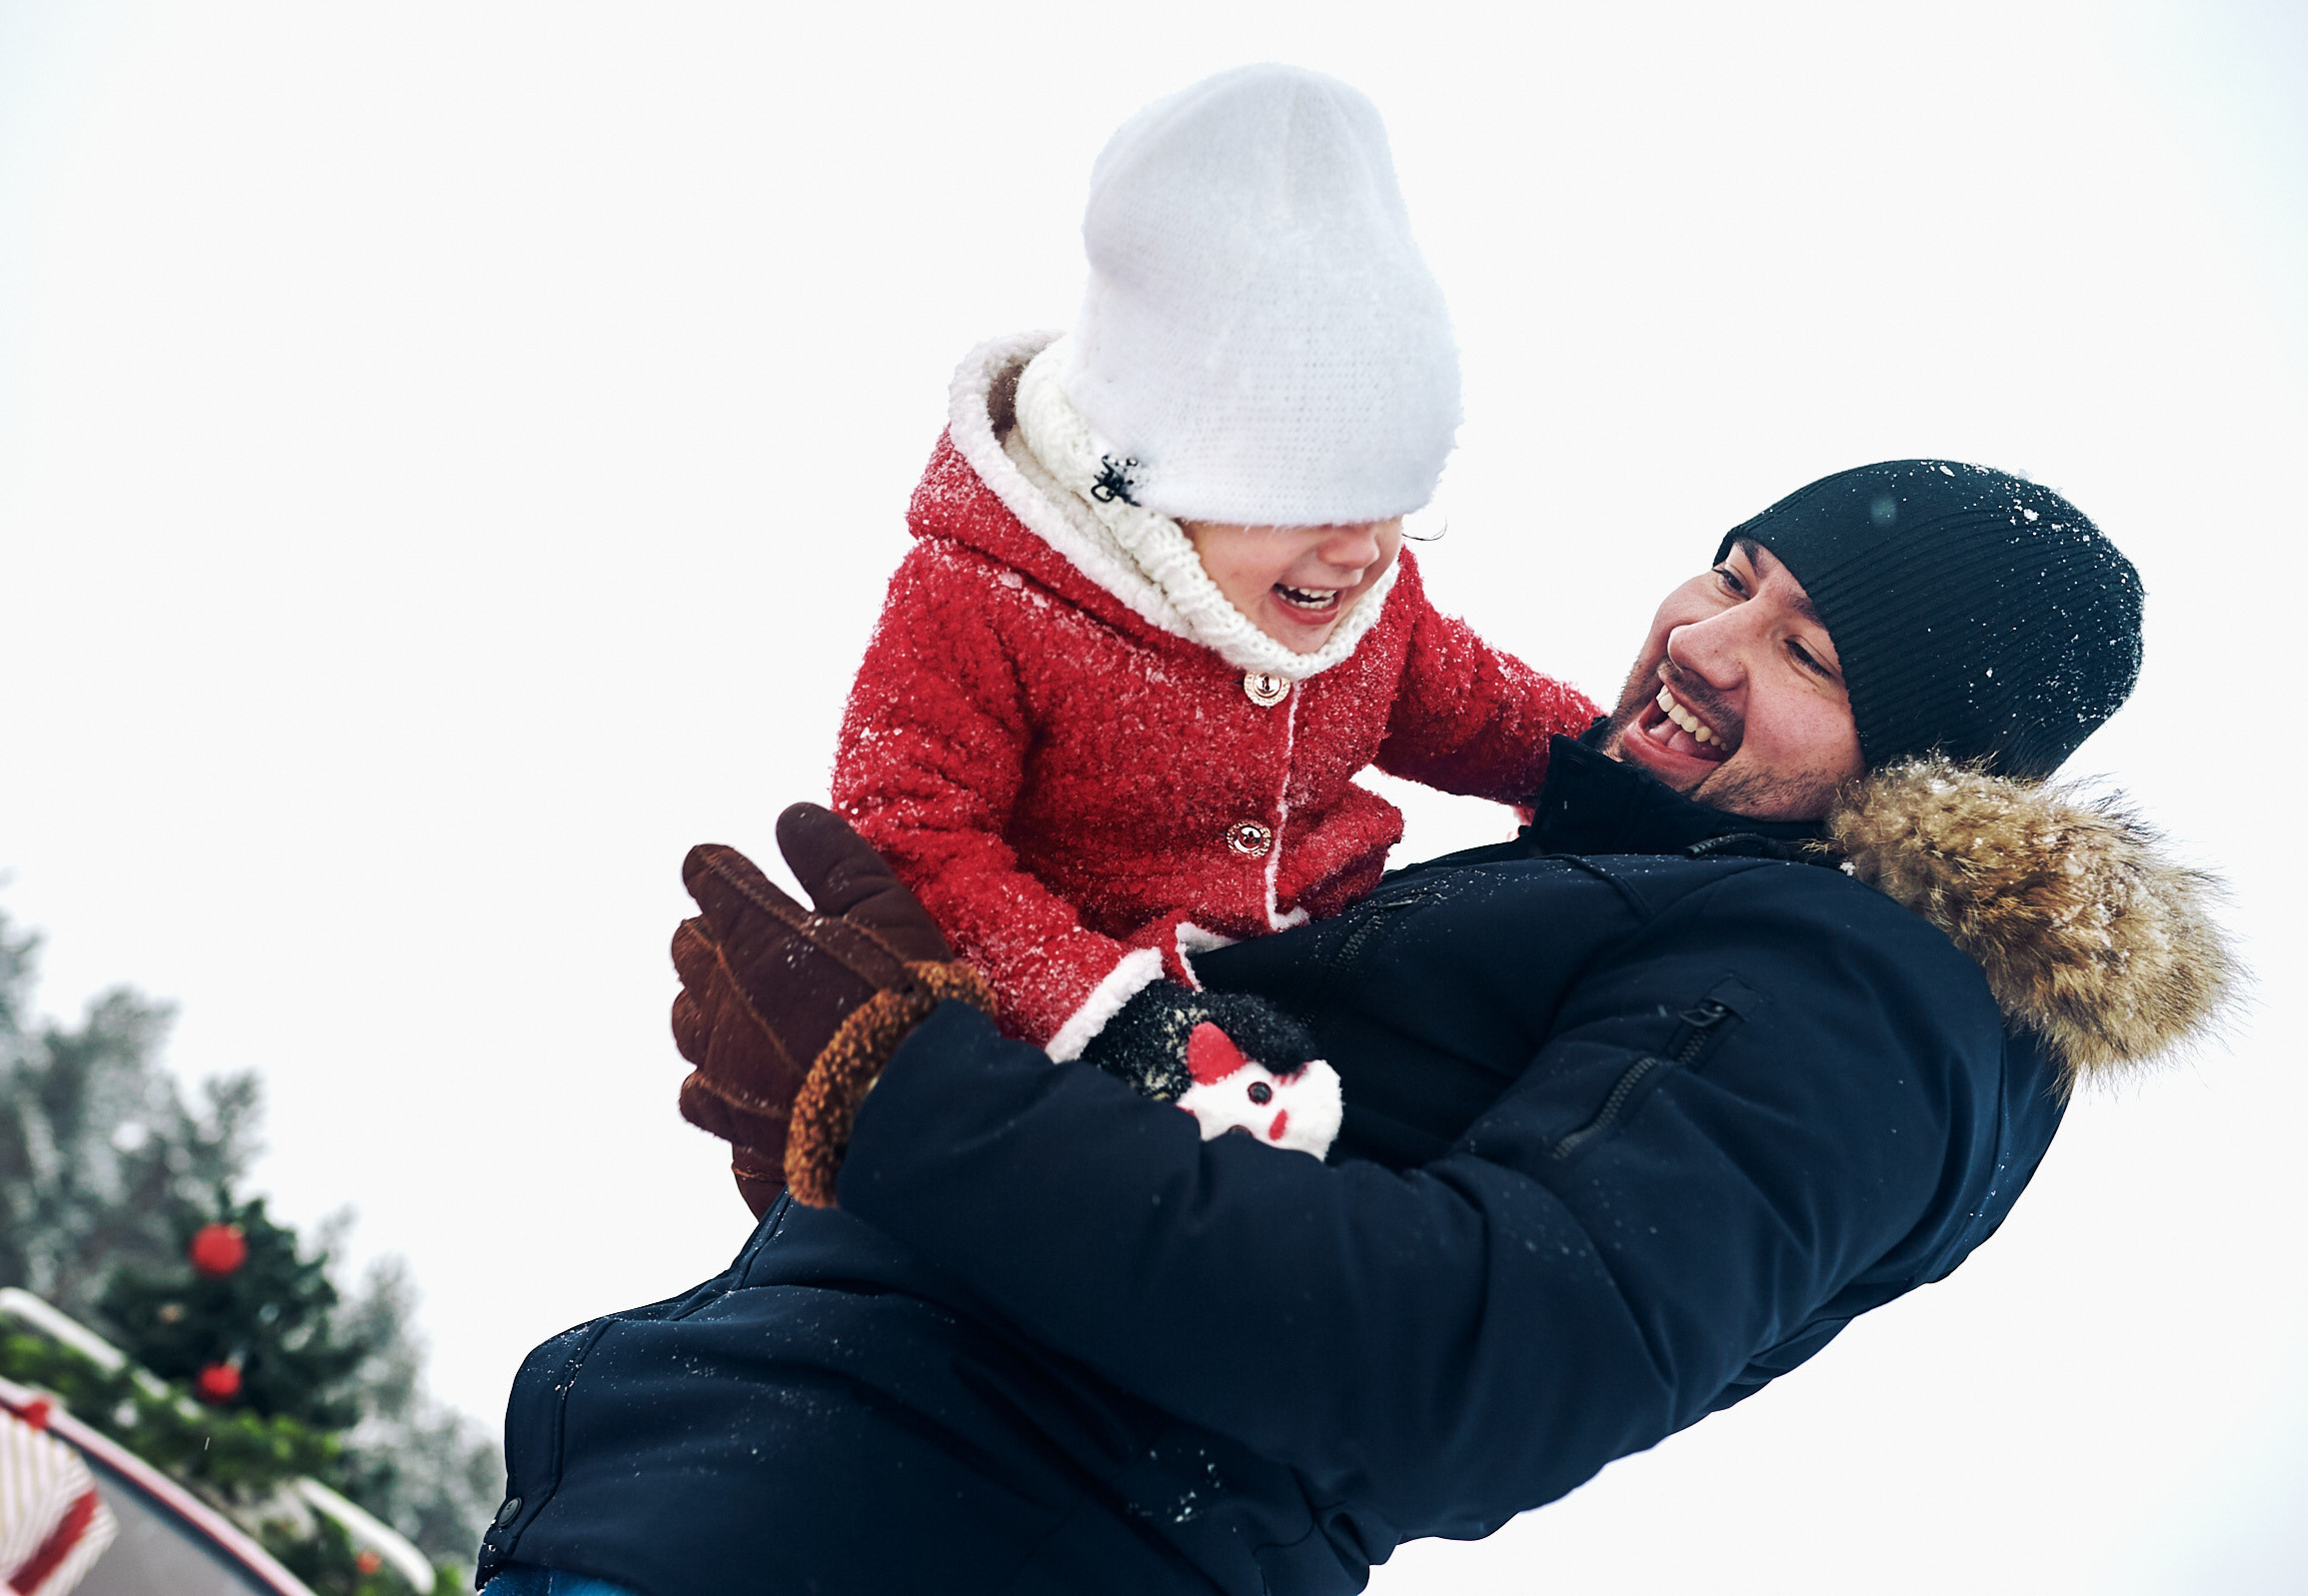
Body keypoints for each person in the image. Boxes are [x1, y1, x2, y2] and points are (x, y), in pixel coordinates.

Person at [480, 461, 2233, 1596]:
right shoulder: (1686, 896)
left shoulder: (1862, 994)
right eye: (1731, 575)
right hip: (798, 1502)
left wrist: (906, 1098)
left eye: (1812, 655)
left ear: (1932, 772)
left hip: (950, 1528)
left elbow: (1480, 1357)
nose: (1709, 641)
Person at [680, 65, 1598, 1207]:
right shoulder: (987, 594)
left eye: (1395, 498)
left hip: (1339, 978)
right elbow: (913, 831)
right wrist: (1117, 1020)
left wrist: (1606, 766)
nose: (1365, 552)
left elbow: (1466, 699)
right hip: (1092, 1050)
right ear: (1156, 469)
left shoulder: (1356, 596)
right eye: (1312, 498)